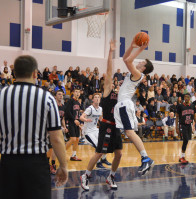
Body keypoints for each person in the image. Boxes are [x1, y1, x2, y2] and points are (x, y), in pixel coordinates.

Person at [0, 55, 68, 199]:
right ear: (35, 73)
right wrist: (63, 165)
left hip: (8, 164)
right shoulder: (47, 98)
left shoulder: (2, 95)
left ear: (14, 73)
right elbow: (56, 138)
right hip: (36, 164)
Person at [81, 41, 122, 190]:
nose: (114, 83)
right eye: (111, 82)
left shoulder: (120, 96)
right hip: (106, 126)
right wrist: (111, 52)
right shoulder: (106, 92)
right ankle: (85, 175)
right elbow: (110, 71)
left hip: (116, 127)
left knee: (119, 154)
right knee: (99, 153)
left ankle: (111, 176)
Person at [114, 36, 154, 174]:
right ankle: (144, 158)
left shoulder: (138, 74)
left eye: (142, 61)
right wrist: (131, 46)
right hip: (121, 105)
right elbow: (126, 59)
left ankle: (145, 158)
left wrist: (141, 48)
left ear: (143, 68)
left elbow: (128, 60)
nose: (139, 61)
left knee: (130, 132)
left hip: (125, 104)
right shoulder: (135, 73)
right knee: (125, 132)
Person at [80, 93, 112, 169]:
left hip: (95, 130)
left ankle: (103, 159)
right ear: (93, 99)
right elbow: (81, 117)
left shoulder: (100, 109)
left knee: (106, 142)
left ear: (100, 99)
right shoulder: (90, 109)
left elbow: (101, 119)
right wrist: (86, 120)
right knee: (99, 147)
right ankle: (98, 163)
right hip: (88, 132)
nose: (97, 98)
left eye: (98, 97)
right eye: (95, 97)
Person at [176, 93, 196, 164]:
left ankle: (182, 156)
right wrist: (177, 127)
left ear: (190, 98)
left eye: (188, 97)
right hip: (182, 125)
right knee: (185, 140)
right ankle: (182, 156)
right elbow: (177, 117)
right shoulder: (180, 106)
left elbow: (194, 116)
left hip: (189, 125)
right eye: (185, 97)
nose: (186, 98)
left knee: (187, 140)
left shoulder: (192, 106)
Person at [65, 88, 82, 161]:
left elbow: (77, 114)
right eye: (76, 92)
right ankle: (61, 153)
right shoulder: (70, 101)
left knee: (77, 139)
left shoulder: (78, 103)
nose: (77, 93)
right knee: (73, 139)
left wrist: (79, 122)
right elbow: (67, 112)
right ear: (73, 93)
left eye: (78, 92)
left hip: (76, 122)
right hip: (71, 122)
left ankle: (73, 155)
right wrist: (74, 119)